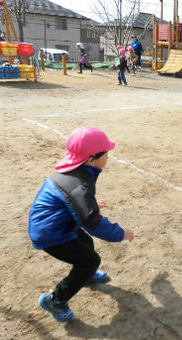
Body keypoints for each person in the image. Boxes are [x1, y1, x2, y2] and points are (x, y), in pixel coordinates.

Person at [29, 127, 134, 322]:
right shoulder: (78, 184)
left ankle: (87, 275)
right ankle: (54, 300)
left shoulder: (75, 172)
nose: (108, 159)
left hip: (58, 225)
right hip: (51, 234)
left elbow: (73, 202)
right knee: (90, 260)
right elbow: (93, 222)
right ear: (91, 159)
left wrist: (91, 204)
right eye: (106, 155)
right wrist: (122, 233)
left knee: (85, 244)